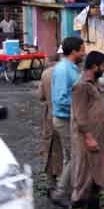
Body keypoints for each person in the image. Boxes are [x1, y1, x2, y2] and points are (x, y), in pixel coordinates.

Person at [69, 51, 104, 209]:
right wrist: (88, 137)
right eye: (103, 66)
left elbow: (96, 109)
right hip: (86, 137)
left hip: (98, 134)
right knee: (84, 170)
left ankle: (94, 205)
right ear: (95, 66)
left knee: (98, 169)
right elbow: (79, 115)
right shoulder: (81, 86)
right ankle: (77, 206)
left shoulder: (94, 84)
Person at [50, 36, 86, 209]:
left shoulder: (70, 68)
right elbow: (61, 98)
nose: (84, 53)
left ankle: (70, 190)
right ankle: (60, 193)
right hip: (65, 119)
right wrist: (81, 105)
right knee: (75, 157)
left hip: (67, 118)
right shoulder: (64, 70)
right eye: (82, 50)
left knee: (70, 157)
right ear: (74, 52)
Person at [38, 53, 64, 195]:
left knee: (50, 147)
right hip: (66, 116)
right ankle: (65, 182)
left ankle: (51, 181)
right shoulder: (68, 73)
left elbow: (41, 96)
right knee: (66, 148)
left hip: (50, 115)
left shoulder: (45, 74)